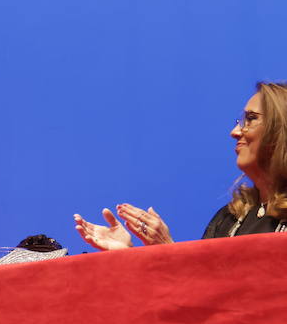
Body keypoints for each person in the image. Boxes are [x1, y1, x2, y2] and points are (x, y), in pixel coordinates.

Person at [74, 81, 287, 249]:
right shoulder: (230, 218)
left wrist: (166, 246)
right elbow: (204, 290)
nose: (235, 132)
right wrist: (131, 254)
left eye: (251, 119)